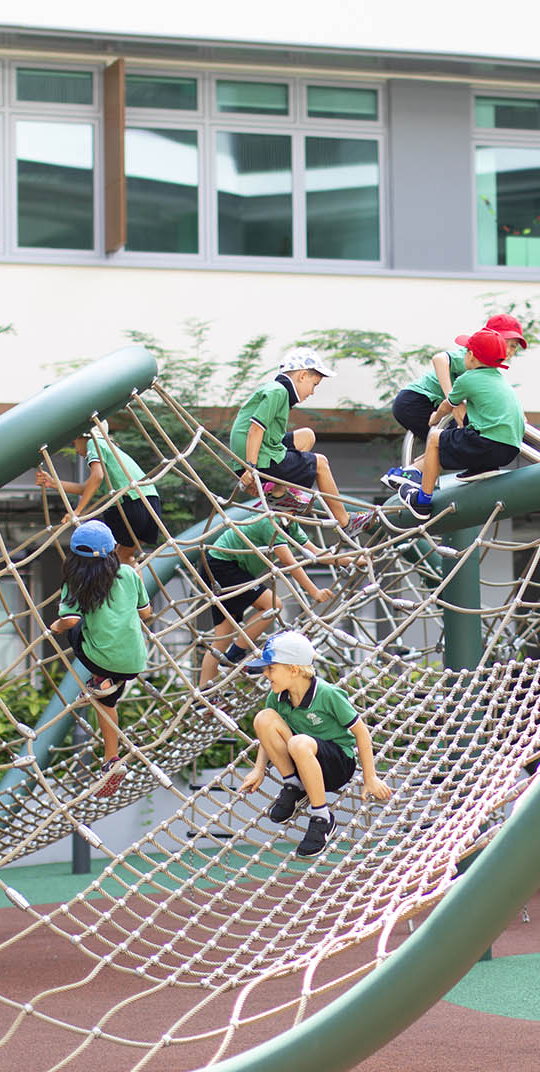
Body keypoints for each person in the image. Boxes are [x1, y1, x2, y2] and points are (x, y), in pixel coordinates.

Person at [237, 630, 391, 857]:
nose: (266, 674)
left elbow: (361, 733)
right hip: (303, 761)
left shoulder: (328, 694)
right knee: (264, 718)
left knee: (299, 742)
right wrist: (259, 769)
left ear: (294, 669)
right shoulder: (277, 696)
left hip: (336, 765)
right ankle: (294, 786)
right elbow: (267, 735)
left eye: (271, 668)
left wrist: (370, 777)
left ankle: (322, 817)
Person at [50, 520, 154, 798]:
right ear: (112, 551)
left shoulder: (75, 581)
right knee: (106, 700)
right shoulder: (130, 574)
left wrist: (57, 627)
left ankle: (104, 682)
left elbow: (70, 621)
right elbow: (146, 613)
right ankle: (111, 759)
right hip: (135, 660)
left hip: (101, 659)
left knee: (76, 635)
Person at [230, 347, 374, 533]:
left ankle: (279, 493)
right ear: (303, 375)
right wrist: (251, 468)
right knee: (320, 463)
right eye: (314, 384)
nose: (313, 392)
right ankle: (345, 522)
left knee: (306, 436)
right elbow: (255, 429)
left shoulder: (277, 390)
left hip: (263, 451)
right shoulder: (278, 392)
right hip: (257, 458)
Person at [392, 328, 526, 518]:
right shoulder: (501, 382)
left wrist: (434, 419)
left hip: (487, 445)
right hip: (510, 450)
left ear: (470, 355)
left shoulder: (467, 379)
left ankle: (422, 500)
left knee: (435, 438)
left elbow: (448, 405)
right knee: (461, 433)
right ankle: (480, 468)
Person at [197, 505, 337, 687]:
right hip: (221, 566)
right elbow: (288, 561)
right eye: (293, 508)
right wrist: (314, 591)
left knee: (221, 639)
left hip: (225, 567)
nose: (296, 513)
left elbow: (317, 554)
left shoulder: (289, 524)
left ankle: (202, 696)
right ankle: (236, 655)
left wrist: (354, 559)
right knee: (272, 605)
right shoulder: (269, 522)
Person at [382, 314, 528, 477]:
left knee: (454, 440)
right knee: (455, 441)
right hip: (417, 400)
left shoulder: (489, 369)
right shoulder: (472, 355)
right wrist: (453, 401)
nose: (508, 350)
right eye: (504, 342)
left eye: (513, 346)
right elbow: (440, 359)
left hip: (433, 403)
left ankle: (413, 470)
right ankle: (408, 474)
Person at [34, 429, 165, 566]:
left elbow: (97, 476)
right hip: (151, 503)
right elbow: (86, 488)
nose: (74, 446)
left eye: (75, 440)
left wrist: (77, 511)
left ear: (84, 436)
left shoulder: (94, 443)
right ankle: (138, 587)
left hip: (131, 502)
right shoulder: (112, 452)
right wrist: (52, 483)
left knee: (110, 560)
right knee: (125, 557)